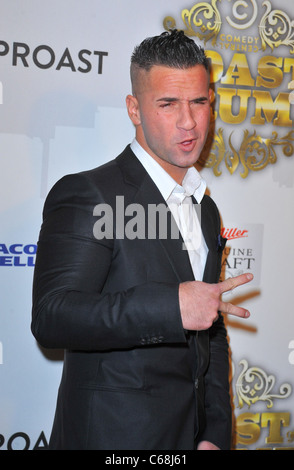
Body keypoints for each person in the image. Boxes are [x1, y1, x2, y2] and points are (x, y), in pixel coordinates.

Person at [31, 30, 253, 450]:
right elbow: (52, 315)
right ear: (134, 109)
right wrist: (171, 305)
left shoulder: (205, 208)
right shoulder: (91, 194)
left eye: (199, 102)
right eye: (168, 104)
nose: (188, 122)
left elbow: (210, 320)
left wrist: (214, 432)